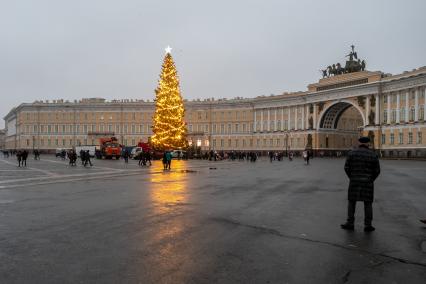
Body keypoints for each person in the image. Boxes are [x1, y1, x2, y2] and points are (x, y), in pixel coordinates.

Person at [341, 137, 380, 232]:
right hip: (368, 182)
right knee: (368, 203)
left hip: (354, 181)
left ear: (359, 142)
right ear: (368, 143)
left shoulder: (351, 153)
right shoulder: (373, 154)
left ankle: (350, 223)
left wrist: (352, 177)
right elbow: (377, 170)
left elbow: (346, 167)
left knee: (352, 202)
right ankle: (368, 225)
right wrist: (370, 179)